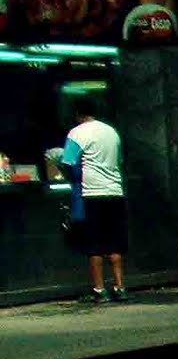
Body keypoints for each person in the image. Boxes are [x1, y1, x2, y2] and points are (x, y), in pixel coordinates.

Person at [55, 97, 128, 303]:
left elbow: (67, 162)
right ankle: (120, 287)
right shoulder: (111, 132)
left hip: (92, 194)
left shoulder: (77, 133)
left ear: (78, 114)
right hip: (115, 192)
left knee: (94, 244)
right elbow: (119, 161)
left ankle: (99, 289)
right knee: (115, 243)